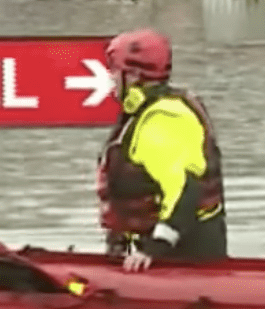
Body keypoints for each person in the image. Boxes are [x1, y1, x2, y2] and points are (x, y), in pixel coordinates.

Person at [95, 28, 228, 272]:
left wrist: (154, 248)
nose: (111, 79)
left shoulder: (163, 119)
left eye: (115, 72)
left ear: (133, 76)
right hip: (166, 250)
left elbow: (184, 190)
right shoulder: (147, 112)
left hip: (184, 257)